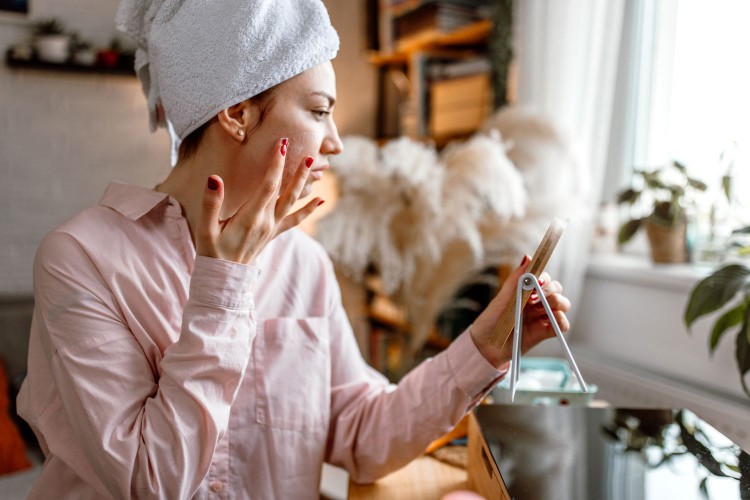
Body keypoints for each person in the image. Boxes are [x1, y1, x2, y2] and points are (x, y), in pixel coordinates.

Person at [17, 1, 572, 498]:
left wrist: (488, 344)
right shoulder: (82, 258)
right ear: (236, 112)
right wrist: (223, 284)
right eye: (317, 109)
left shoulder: (303, 263)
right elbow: (152, 482)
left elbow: (363, 436)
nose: (334, 141)